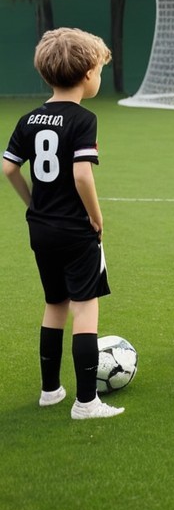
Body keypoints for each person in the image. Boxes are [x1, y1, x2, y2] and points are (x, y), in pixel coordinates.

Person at [2, 28, 123, 420]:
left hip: (40, 228)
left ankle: (50, 391)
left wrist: (33, 203)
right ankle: (87, 403)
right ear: (88, 75)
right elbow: (82, 175)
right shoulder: (83, 119)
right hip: (74, 229)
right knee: (85, 309)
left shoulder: (29, 119)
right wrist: (96, 217)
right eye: (99, 71)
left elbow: (8, 168)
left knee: (55, 304)